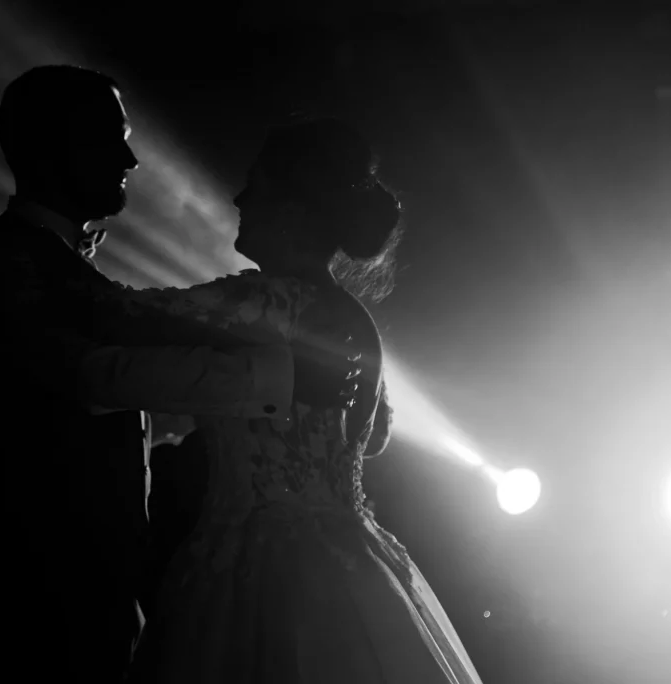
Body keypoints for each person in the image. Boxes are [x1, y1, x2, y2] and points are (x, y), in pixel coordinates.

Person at [0, 66, 357, 683]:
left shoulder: (57, 268)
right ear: (56, 144)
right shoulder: (6, 265)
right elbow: (89, 377)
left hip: (92, 591)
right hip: (30, 594)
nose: (131, 159)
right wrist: (277, 381)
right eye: (111, 137)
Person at [96, 118, 486, 683]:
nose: (238, 198)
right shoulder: (354, 317)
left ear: (291, 208)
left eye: (254, 185)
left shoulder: (265, 300)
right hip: (350, 557)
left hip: (255, 561)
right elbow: (373, 438)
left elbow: (122, 314)